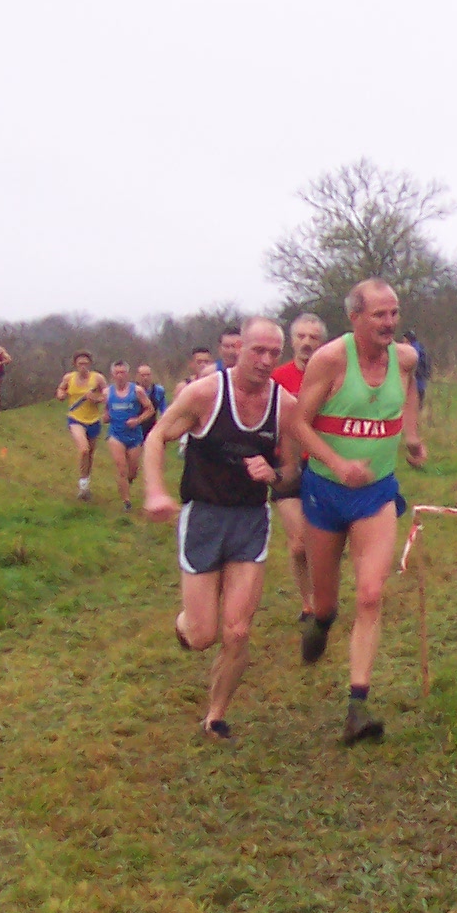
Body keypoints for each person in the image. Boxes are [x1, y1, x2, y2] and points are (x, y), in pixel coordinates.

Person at [143, 317, 304, 741]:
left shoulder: (284, 405)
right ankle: (186, 623)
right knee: (203, 635)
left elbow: (291, 471)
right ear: (238, 350)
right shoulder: (206, 394)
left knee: (237, 630)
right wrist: (155, 491)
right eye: (258, 351)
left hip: (249, 520)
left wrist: (273, 474)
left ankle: (215, 716)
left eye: (274, 353)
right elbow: (157, 437)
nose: (266, 361)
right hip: (204, 517)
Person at [293, 280, 425, 744]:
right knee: (327, 603)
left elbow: (410, 389)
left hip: (377, 493)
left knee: (370, 594)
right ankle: (320, 622)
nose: (389, 323)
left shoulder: (404, 359)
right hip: (326, 492)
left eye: (394, 313)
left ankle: (357, 706)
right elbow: (298, 424)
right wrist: (338, 464)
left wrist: (411, 434)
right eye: (379, 315)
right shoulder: (330, 360)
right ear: (355, 318)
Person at [271, 313, 328, 621]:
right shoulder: (277, 378)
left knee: (322, 540)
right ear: (292, 341)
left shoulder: (333, 376)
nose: (307, 342)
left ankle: (324, 595)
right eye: (301, 336)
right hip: (287, 464)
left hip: (322, 464)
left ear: (322, 343)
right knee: (298, 544)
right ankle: (308, 604)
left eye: (313, 337)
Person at [103, 360, 156, 511]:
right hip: (116, 435)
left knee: (133, 470)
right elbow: (106, 410)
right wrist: (106, 416)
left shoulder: (137, 391)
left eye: (122, 372)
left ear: (127, 374)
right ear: (112, 375)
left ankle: (127, 482)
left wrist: (137, 420)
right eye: (117, 373)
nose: (120, 376)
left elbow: (150, 409)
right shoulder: (107, 392)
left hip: (134, 435)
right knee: (121, 468)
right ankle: (126, 502)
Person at [56, 351, 109, 499]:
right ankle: (83, 485)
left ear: (90, 364)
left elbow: (107, 396)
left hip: (93, 420)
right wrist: (61, 394)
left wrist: (96, 398)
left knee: (90, 454)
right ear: (75, 364)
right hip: (75, 419)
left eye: (86, 363)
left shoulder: (98, 378)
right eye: (80, 364)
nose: (83, 366)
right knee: (84, 450)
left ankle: (85, 484)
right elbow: (61, 389)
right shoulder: (69, 378)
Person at [135, 364, 167, 446]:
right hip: (135, 427)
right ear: (137, 377)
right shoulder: (132, 390)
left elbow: (164, 410)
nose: (145, 378)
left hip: (151, 426)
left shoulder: (158, 391)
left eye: (148, 375)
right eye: (143, 375)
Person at [407, 329, 432, 414]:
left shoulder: (412, 349)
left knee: (413, 404)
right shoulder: (420, 347)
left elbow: (413, 364)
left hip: (416, 381)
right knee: (419, 404)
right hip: (422, 381)